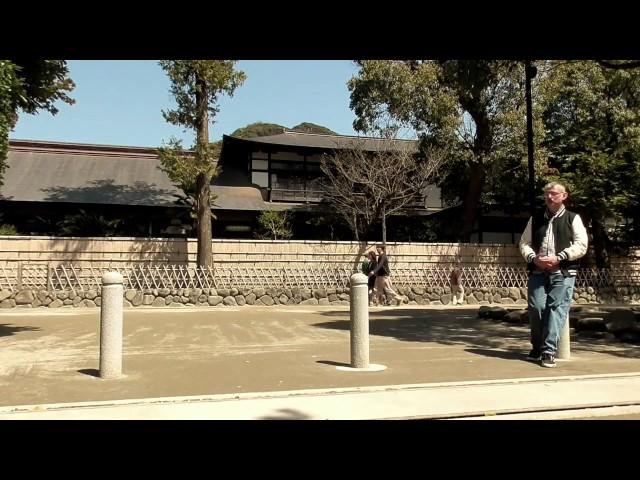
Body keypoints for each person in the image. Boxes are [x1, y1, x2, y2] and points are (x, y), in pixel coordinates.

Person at [519, 181, 588, 368]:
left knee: (556, 309)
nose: (549, 197)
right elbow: (524, 243)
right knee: (536, 307)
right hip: (538, 271)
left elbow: (581, 245)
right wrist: (534, 258)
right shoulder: (535, 219)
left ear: (564, 196)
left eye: (554, 194)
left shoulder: (573, 218)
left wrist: (560, 257)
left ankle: (548, 351)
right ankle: (538, 346)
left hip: (562, 271)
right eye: (547, 194)